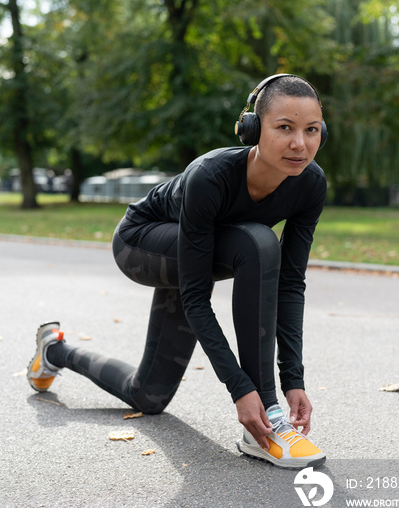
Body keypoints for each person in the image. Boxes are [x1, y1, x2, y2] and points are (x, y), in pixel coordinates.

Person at [27, 73, 328, 470]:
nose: (299, 143)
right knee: (257, 243)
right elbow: (196, 295)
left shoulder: (310, 184)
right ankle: (268, 419)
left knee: (148, 395)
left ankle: (54, 349)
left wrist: (295, 379)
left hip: (196, 252)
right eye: (284, 128)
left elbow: (290, 283)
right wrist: (243, 389)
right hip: (141, 243)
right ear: (253, 129)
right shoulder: (212, 174)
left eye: (311, 130)